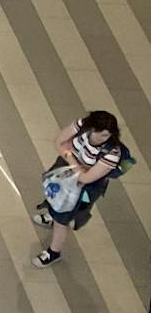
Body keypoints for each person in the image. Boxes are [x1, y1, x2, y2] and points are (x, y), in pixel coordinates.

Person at [32, 109, 127, 265]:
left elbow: (86, 178)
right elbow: (58, 142)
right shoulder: (83, 124)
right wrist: (76, 163)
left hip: (81, 189)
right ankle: (51, 216)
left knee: (62, 219)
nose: (99, 138)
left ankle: (53, 252)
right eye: (97, 133)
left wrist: (69, 155)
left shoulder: (111, 153)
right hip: (65, 174)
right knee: (54, 196)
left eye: (105, 135)